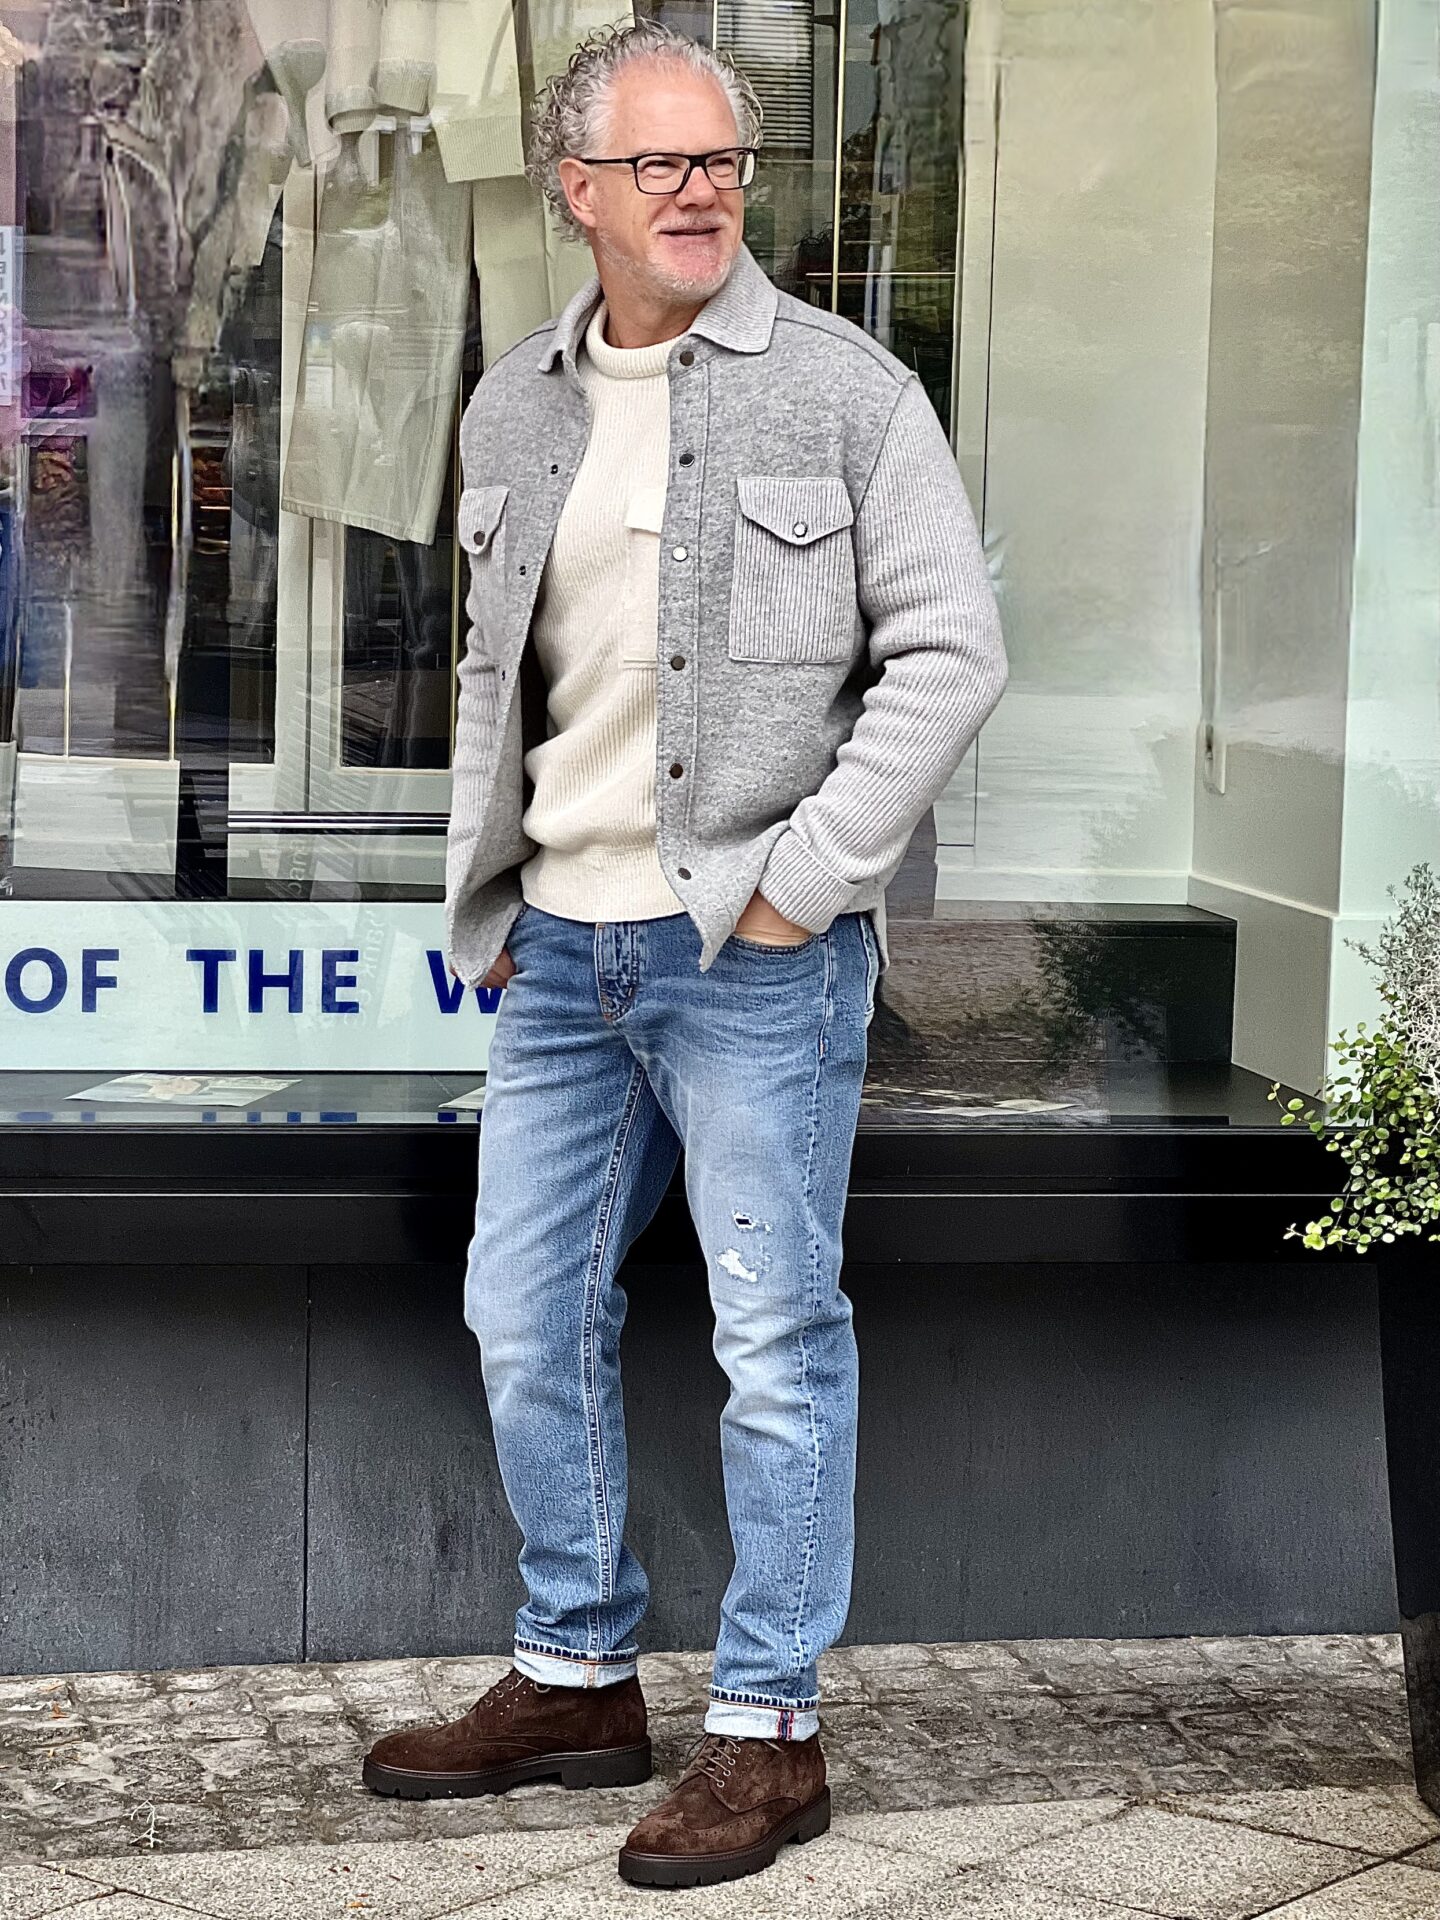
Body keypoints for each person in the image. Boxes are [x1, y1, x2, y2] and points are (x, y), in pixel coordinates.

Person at [361, 16, 1006, 1889]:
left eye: (720, 159)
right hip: (561, 958)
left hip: (753, 951)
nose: (701, 190)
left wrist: (809, 877)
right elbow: (503, 679)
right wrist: (492, 893)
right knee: (521, 1314)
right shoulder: (511, 407)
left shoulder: (850, 395)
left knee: (775, 1336)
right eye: (659, 164)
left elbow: (953, 651)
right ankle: (576, 1674)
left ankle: (771, 1730)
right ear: (577, 190)